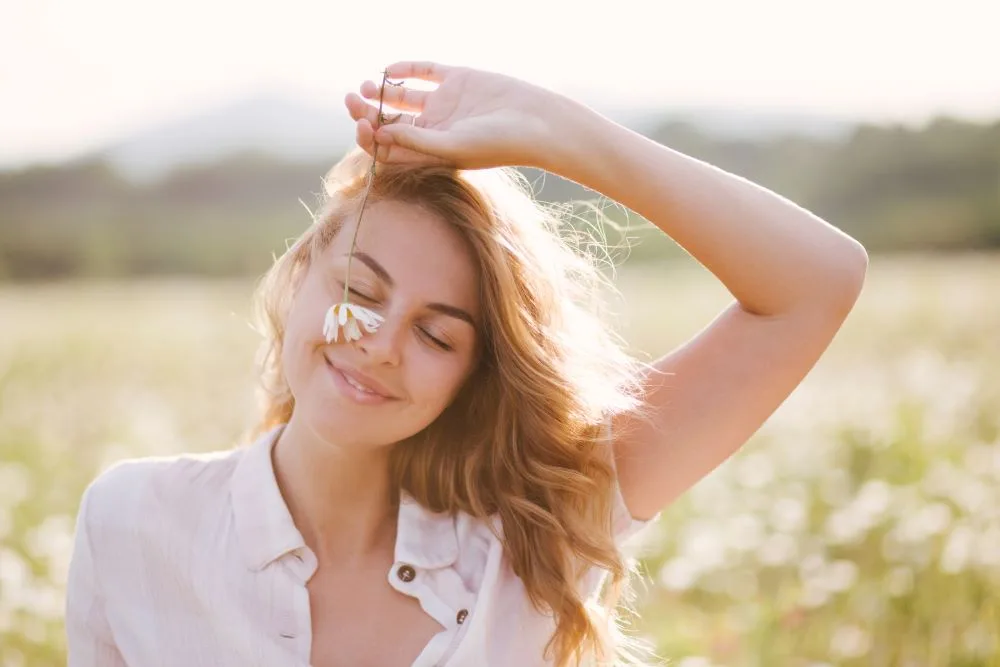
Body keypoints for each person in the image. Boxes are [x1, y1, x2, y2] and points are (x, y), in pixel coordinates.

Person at [64, 61, 868, 667]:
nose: (380, 342)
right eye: (359, 291)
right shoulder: (133, 521)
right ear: (301, 274)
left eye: (437, 335)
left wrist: (556, 130)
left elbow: (816, 282)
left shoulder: (539, 529)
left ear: (472, 375)